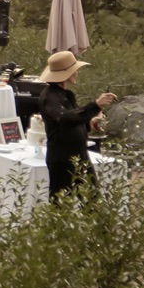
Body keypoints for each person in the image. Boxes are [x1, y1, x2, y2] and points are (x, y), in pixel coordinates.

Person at [37, 51, 118, 199]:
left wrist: (90, 123)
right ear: (67, 74)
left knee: (92, 201)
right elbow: (64, 119)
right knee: (60, 205)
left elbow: (74, 120)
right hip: (62, 160)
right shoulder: (50, 96)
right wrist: (95, 105)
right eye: (75, 70)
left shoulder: (68, 95)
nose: (78, 73)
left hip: (79, 156)